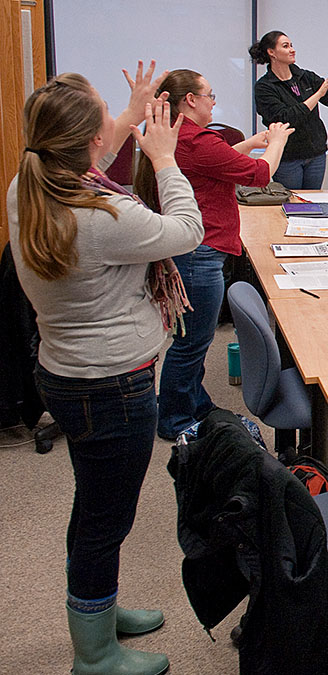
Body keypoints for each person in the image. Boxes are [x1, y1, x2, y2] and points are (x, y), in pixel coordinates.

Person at [10, 69, 203, 675]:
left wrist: (126, 113)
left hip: (64, 374)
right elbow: (186, 232)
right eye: (106, 122)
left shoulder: (30, 183)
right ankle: (94, 654)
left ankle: (96, 607)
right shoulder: (105, 218)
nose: (113, 129)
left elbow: (90, 146)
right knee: (105, 519)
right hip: (112, 387)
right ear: (92, 145)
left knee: (92, 505)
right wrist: (167, 162)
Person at [132, 69, 294, 440]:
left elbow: (220, 162)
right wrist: (277, 141)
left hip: (194, 252)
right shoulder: (196, 140)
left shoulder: (184, 138)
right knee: (191, 345)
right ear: (191, 100)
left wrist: (254, 140)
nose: (214, 101)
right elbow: (259, 175)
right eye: (210, 95)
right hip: (199, 255)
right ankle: (174, 419)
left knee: (194, 340)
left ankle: (194, 402)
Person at [249, 31, 328, 189]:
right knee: (291, 204)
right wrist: (317, 95)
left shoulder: (305, 77)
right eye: (285, 46)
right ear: (271, 52)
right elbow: (285, 118)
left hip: (315, 154)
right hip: (287, 157)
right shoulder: (265, 86)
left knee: (312, 204)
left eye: (291, 45)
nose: (292, 49)